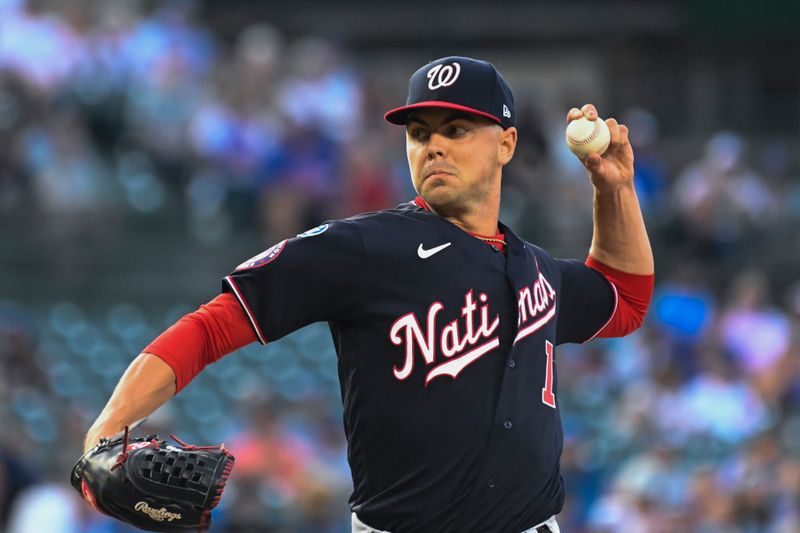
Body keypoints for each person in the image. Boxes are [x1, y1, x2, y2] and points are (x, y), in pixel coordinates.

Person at [83, 56, 654, 533]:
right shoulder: (363, 248)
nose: (434, 146)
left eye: (456, 130)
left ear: (506, 143)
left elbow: (623, 299)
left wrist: (616, 188)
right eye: (419, 132)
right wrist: (108, 425)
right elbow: (211, 327)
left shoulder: (535, 270)